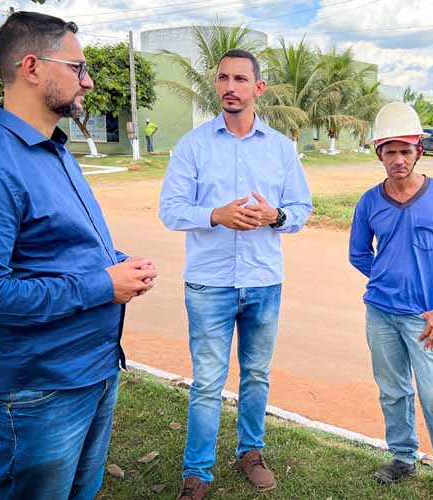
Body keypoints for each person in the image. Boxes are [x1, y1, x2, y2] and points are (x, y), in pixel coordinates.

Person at [0, 11, 157, 499]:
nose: (89, 80)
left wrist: (117, 264)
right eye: (77, 67)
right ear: (32, 67)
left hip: (92, 370)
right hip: (39, 388)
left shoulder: (55, 150)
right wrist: (105, 284)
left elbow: (58, 247)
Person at [158, 49, 312, 500]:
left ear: (257, 88)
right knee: (207, 382)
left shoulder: (282, 149)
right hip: (210, 283)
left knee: (257, 375)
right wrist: (216, 214)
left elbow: (302, 210)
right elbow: (170, 209)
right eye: (223, 78)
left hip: (264, 280)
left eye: (240, 79)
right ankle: (197, 472)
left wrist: (275, 215)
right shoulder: (193, 145)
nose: (230, 86)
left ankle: (251, 452)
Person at [348, 102, 433, 500]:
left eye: (406, 151)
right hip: (380, 314)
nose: (398, 160)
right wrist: (386, 278)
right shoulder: (369, 201)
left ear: (419, 150)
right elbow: (358, 254)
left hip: (426, 318)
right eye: (390, 151)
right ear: (379, 154)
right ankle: (402, 456)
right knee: (393, 390)